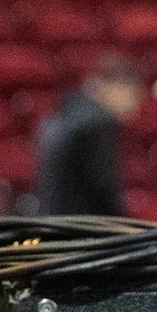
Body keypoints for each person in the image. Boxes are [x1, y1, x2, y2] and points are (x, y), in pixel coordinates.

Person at [33, 53, 144, 217]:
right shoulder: (99, 123)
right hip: (83, 228)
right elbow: (102, 188)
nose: (135, 105)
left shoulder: (64, 113)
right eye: (133, 95)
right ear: (114, 87)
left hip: (55, 222)